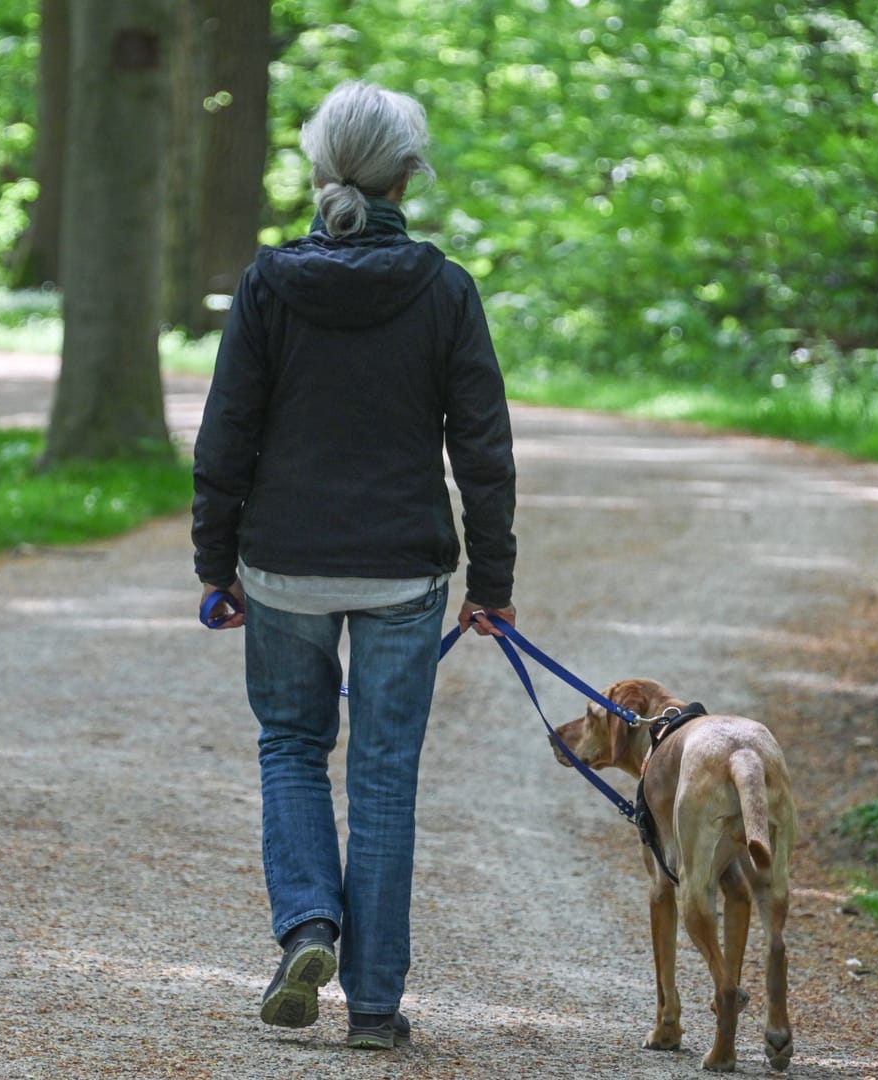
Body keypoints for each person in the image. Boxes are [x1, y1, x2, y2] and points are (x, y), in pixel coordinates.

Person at [191, 80, 518, 1051]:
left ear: (318, 171)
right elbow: (485, 454)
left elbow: (225, 439)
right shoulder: (446, 289)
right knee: (381, 776)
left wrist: (218, 564)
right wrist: (491, 585)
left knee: (292, 746)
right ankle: (374, 1007)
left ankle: (308, 927)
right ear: (409, 176)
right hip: (402, 577)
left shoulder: (267, 284)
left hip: (283, 566)